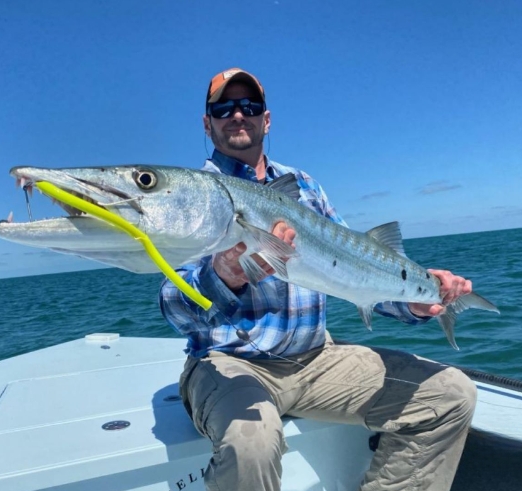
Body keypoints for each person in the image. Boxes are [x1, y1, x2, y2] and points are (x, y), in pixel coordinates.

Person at [159, 67, 476, 491]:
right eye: (224, 108)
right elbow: (174, 309)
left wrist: (416, 302)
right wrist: (224, 275)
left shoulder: (305, 186)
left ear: (266, 120)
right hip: (230, 364)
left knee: (451, 394)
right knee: (251, 444)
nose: (238, 115)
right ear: (207, 122)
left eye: (249, 106)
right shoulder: (193, 193)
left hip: (315, 359)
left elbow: (356, 273)